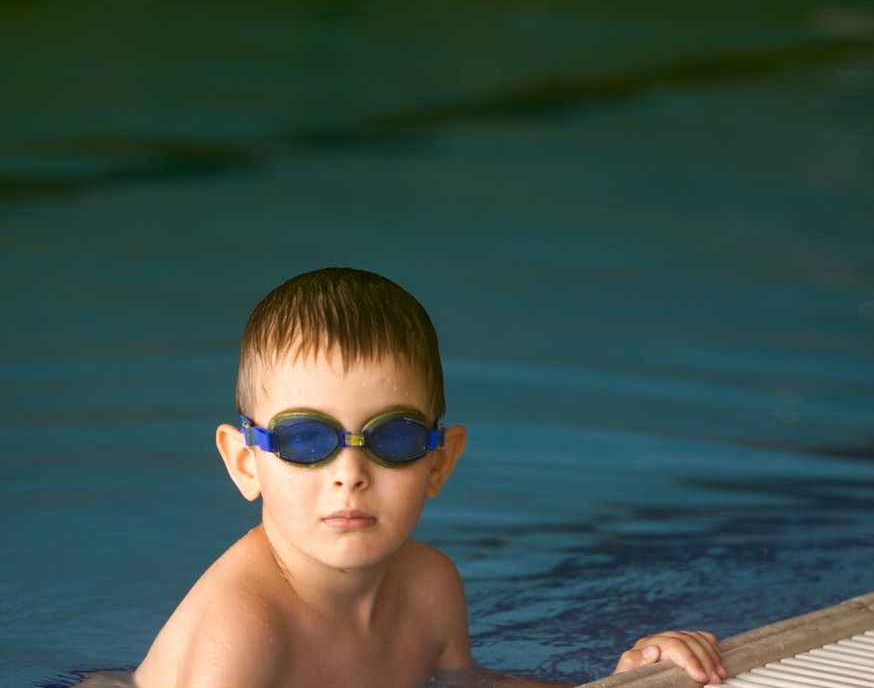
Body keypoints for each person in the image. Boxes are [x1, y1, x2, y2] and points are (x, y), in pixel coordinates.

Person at [132, 268, 725, 688]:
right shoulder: (241, 633)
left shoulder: (429, 588)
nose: (350, 475)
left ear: (438, 461)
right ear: (245, 462)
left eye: (393, 438)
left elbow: (473, 686)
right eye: (306, 439)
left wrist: (625, 683)